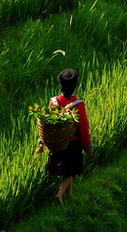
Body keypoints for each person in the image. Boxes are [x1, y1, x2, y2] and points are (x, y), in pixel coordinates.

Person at [35, 68, 93, 206]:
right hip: (72, 144)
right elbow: (83, 127)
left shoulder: (54, 102)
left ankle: (70, 195)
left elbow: (47, 124)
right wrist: (88, 146)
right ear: (75, 85)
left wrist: (41, 143)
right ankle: (60, 194)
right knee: (70, 172)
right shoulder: (78, 105)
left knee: (68, 169)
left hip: (57, 144)